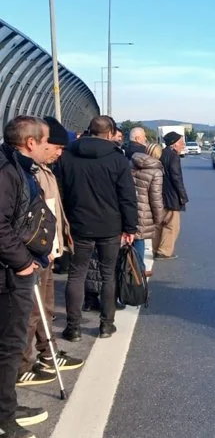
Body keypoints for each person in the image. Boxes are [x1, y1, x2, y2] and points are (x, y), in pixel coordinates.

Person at [56, 116, 138, 341]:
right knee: (107, 274)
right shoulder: (117, 158)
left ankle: (73, 328)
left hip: (78, 224)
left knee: (76, 274)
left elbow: (59, 191)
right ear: (110, 133)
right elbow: (127, 197)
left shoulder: (67, 155)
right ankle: (106, 325)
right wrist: (130, 227)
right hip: (110, 226)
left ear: (89, 130)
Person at [0, 116, 57, 437]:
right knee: (8, 346)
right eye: (46, 140)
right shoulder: (8, 172)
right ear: (31, 143)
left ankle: (6, 405)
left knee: (9, 345)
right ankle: (5, 420)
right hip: (9, 274)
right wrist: (23, 262)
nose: (49, 146)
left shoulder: (15, 167)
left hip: (13, 269)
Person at [17, 117, 84, 388]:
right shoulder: (29, 173)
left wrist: (58, 243)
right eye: (56, 146)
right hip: (33, 253)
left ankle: (48, 352)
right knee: (31, 312)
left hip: (47, 250)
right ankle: (23, 365)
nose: (60, 152)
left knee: (45, 308)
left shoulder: (45, 169)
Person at [131, 143, 164, 277]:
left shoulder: (131, 163)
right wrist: (159, 218)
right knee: (140, 238)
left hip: (130, 206)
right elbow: (155, 198)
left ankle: (132, 266)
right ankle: (139, 269)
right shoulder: (156, 171)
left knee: (131, 238)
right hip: (145, 210)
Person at [155, 132, 188, 260]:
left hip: (161, 194)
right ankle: (164, 251)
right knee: (172, 225)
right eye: (181, 142)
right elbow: (176, 177)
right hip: (171, 195)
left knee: (159, 223)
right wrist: (182, 195)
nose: (183, 145)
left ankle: (155, 247)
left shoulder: (162, 153)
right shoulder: (174, 157)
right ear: (174, 144)